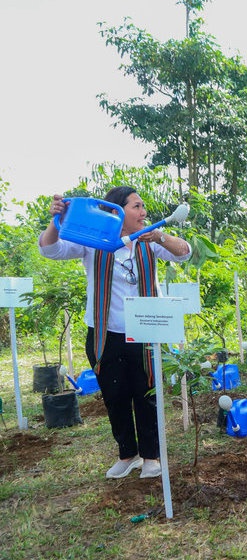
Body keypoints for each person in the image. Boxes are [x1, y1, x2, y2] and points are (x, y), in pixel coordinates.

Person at [39, 187, 192, 479]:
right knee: (114, 394)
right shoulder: (95, 241)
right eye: (136, 206)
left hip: (144, 332)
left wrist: (160, 235)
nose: (143, 212)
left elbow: (184, 253)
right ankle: (127, 454)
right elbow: (50, 249)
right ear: (117, 212)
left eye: (142, 206)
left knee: (146, 394)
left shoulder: (149, 240)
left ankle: (151, 456)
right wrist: (55, 220)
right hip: (105, 334)